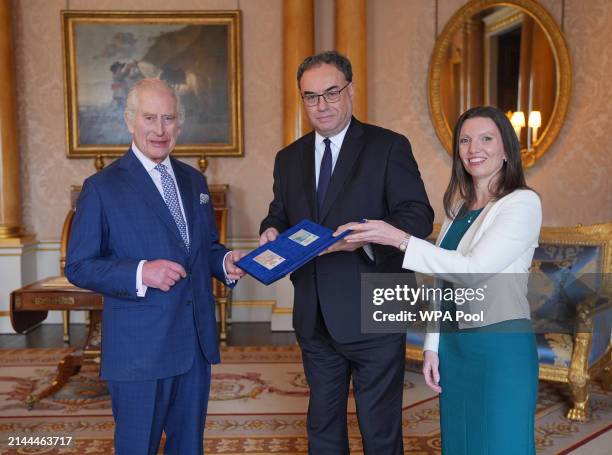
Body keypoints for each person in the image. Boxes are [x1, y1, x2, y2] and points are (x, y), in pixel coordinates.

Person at [338, 105, 541, 454]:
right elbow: (443, 283)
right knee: (460, 443)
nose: (473, 148)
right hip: (455, 348)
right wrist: (433, 347)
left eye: (485, 138)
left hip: (499, 347)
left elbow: (472, 271)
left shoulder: (521, 203)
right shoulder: (457, 209)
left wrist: (398, 238)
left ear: (506, 149)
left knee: (500, 444)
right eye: (465, 140)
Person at [259, 51, 433, 454]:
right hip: (315, 311)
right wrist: (270, 229)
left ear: (350, 91)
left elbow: (418, 215)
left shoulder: (388, 146)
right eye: (310, 96)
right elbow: (280, 213)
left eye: (331, 92)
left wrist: (364, 236)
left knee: (380, 427)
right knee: (321, 424)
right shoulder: (288, 158)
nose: (321, 105)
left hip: (376, 304)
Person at [65, 78, 245, 455]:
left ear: (179, 125)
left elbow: (204, 248)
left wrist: (225, 261)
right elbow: (79, 265)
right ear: (130, 121)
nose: (160, 129)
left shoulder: (194, 180)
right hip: (139, 352)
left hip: (194, 347)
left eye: (168, 118)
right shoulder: (101, 187)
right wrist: (140, 272)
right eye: (150, 118)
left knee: (188, 447)